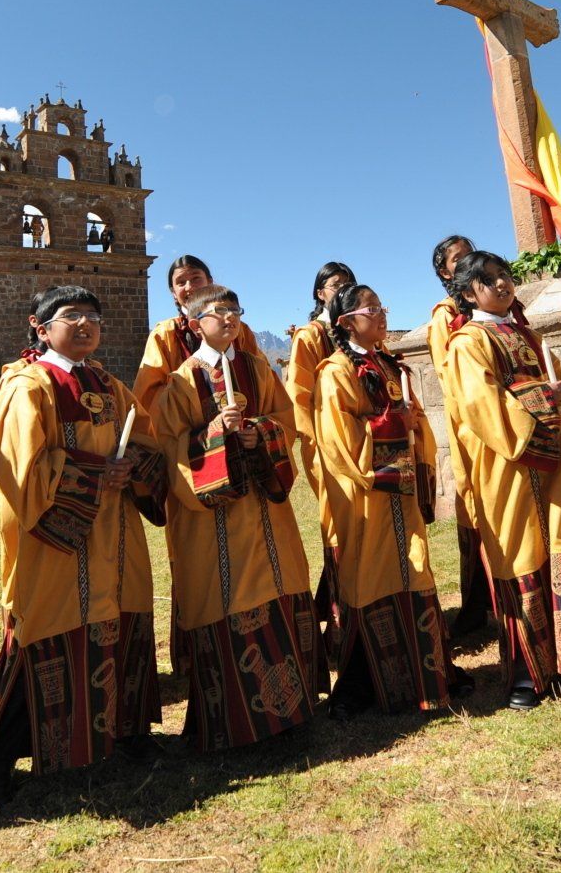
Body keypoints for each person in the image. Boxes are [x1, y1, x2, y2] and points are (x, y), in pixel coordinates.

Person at [0, 287, 171, 808]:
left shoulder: (109, 384)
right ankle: (1, 759)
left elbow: (146, 442)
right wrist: (97, 474)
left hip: (116, 532)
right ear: (40, 328)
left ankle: (128, 732)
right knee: (43, 629)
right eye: (71, 315)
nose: (85, 324)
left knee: (123, 620)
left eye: (93, 316)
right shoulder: (26, 386)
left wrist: (133, 469)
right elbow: (21, 466)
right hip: (57, 538)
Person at [444, 250, 561, 708]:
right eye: (489, 280)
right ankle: (528, 672)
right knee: (520, 555)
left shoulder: (528, 336)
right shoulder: (467, 343)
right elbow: (481, 405)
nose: (502, 284)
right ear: (469, 294)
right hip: (507, 465)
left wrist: (559, 403)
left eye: (505, 275)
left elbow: (547, 391)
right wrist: (545, 397)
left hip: (550, 466)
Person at [148, 283, 320, 749]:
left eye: (235, 310)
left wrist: (260, 432)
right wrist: (213, 437)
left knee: (278, 583)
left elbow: (287, 421)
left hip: (265, 512)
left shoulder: (258, 368)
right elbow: (169, 447)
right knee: (227, 594)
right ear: (195, 323)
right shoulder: (181, 381)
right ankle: (235, 723)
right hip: (213, 520)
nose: (229, 318)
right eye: (218, 312)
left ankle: (294, 710)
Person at [312, 283, 467, 715]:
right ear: (346, 322)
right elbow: (337, 437)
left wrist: (412, 421)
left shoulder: (389, 365)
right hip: (366, 495)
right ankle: (362, 685)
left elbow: (411, 422)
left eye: (382, 307)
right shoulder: (335, 372)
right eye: (371, 309)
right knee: (371, 576)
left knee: (414, 568)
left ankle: (429, 674)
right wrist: (395, 424)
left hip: (401, 494)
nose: (381, 314)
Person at [284, 260, 357, 669]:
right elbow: (299, 397)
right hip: (327, 450)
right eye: (334, 284)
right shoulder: (311, 336)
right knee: (339, 528)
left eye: (348, 283)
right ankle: (339, 626)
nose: (342, 289)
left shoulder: (356, 330)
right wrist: (318, 448)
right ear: (319, 293)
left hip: (364, 448)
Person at [425, 233, 492, 638]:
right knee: (477, 509)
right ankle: (478, 604)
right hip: (472, 426)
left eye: (471, 253)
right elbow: (449, 376)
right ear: (444, 272)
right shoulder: (446, 317)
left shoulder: (496, 305)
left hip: (506, 418)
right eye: (457, 258)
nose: (467, 260)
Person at [133, 254, 263, 417]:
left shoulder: (239, 329)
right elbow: (150, 396)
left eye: (196, 279)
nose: (189, 287)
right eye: (181, 282)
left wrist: (255, 425)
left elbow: (263, 382)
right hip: (186, 426)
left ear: (210, 282)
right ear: (173, 293)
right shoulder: (165, 334)